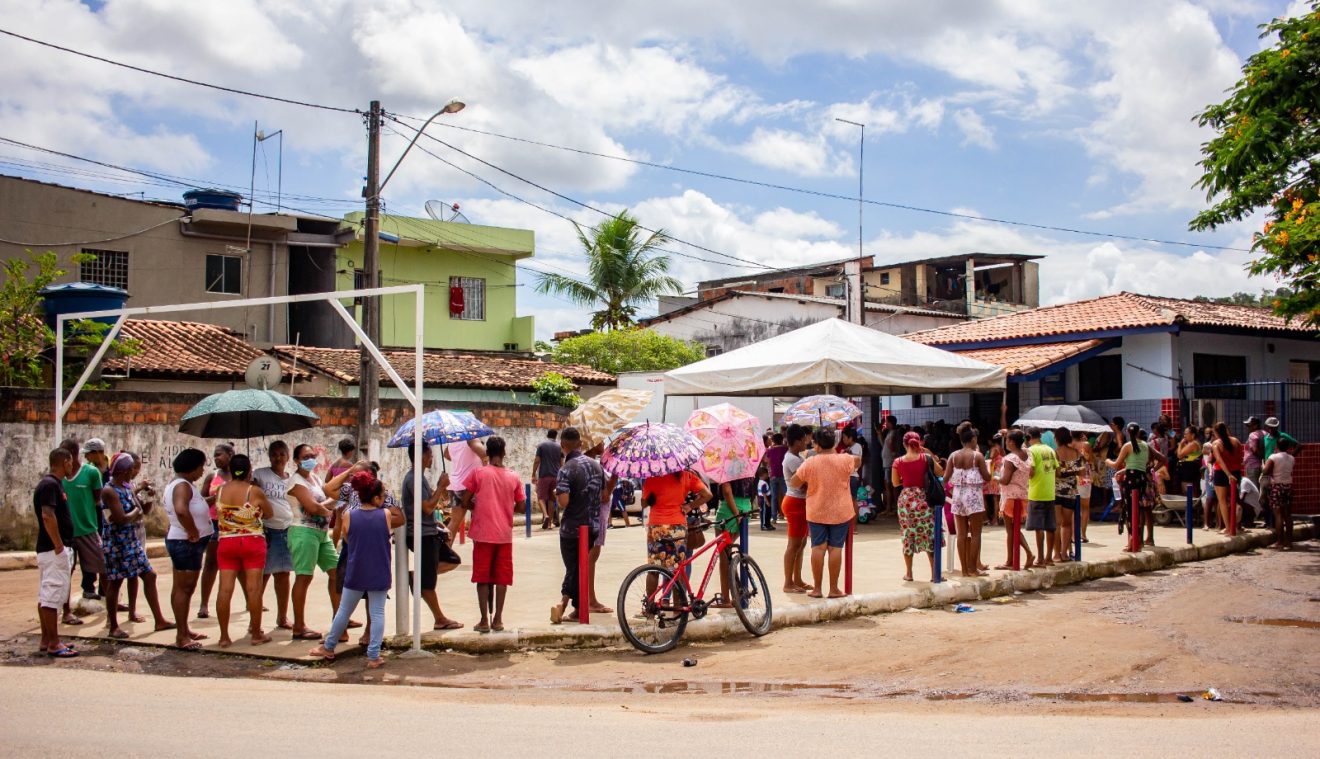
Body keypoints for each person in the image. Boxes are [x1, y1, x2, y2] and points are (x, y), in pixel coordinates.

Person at [309, 472, 403, 668]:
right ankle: (373, 656)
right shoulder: (385, 514)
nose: (384, 498)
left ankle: (329, 646)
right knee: (377, 613)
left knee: (344, 610)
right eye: (382, 495)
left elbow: (348, 539)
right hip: (380, 570)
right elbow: (391, 522)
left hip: (356, 569)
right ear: (376, 498)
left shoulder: (348, 515)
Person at [454, 436, 524, 633]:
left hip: (482, 533)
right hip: (504, 533)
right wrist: (506, 505)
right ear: (503, 453)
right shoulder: (513, 476)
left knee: (482, 577)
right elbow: (521, 505)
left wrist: (477, 507)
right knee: (502, 578)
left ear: (488, 453)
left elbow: (464, 500)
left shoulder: (478, 474)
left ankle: (484, 619)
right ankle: (498, 619)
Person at [286, 444, 355, 640]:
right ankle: (299, 626)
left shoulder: (314, 478)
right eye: (306, 456)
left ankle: (339, 623)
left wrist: (326, 505)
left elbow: (326, 499)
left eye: (312, 455)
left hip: (321, 533)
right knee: (304, 578)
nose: (310, 459)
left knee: (336, 574)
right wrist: (328, 508)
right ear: (297, 461)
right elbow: (312, 508)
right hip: (303, 532)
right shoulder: (296, 482)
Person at [100, 455, 172, 639]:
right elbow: (121, 518)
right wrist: (136, 511)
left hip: (131, 541)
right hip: (117, 543)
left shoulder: (127, 488)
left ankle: (159, 620)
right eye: (132, 470)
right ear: (124, 471)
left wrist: (148, 499)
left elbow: (141, 511)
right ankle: (113, 625)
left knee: (149, 575)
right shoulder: (109, 491)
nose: (135, 473)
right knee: (115, 581)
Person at [212, 454, 274, 647]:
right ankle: (256, 635)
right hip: (252, 542)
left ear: (230, 470)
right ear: (249, 470)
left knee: (224, 589)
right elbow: (270, 514)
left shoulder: (220, 490)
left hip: (226, 543)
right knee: (254, 589)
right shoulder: (254, 491)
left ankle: (224, 637)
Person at [401, 443, 463, 631]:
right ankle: (439, 618)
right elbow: (427, 507)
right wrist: (440, 486)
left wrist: (438, 523)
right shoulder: (413, 479)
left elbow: (426, 509)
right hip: (421, 534)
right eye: (429, 454)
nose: (432, 457)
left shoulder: (420, 478)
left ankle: (419, 577)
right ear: (421, 455)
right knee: (427, 581)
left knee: (452, 560)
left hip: (429, 530)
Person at [163, 448, 214, 650]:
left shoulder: (181, 484)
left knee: (182, 587)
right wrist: (193, 531)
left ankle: (184, 629)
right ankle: (182, 636)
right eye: (201, 466)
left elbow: (193, 506)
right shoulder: (183, 486)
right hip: (185, 542)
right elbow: (182, 510)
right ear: (192, 467)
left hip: (183, 541)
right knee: (184, 588)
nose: (203, 471)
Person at [551, 427, 602, 624]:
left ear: (562, 446)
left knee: (573, 568)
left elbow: (564, 501)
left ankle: (565, 603)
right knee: (579, 567)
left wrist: (558, 493)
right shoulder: (596, 466)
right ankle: (578, 608)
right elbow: (603, 495)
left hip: (572, 528)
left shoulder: (567, 469)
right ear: (581, 444)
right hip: (592, 526)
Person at [642, 467, 712, 598]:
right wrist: (690, 506)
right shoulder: (686, 475)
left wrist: (651, 498)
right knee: (677, 570)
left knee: (653, 569)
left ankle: (650, 610)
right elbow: (707, 495)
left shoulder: (651, 477)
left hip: (656, 527)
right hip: (677, 526)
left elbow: (644, 503)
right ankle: (677, 612)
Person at [35, 447, 78, 658]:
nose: (72, 466)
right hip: (53, 550)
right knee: (52, 596)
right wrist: (59, 544)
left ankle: (47, 639)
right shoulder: (50, 484)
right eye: (71, 462)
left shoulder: (53, 484)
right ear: (65, 462)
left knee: (47, 596)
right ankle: (53, 643)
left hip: (51, 549)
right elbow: (47, 515)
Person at [60, 438, 105, 616]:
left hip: (87, 528)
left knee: (103, 565)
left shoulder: (91, 473)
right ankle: (65, 612)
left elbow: (97, 498)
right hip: (67, 533)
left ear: (74, 455)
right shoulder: (60, 477)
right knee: (66, 573)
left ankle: (110, 607)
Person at [253, 441, 294, 631]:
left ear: (288, 456)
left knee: (284, 574)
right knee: (262, 576)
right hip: (267, 531)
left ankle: (282, 617)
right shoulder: (260, 475)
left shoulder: (292, 478)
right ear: (269, 457)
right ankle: (255, 623)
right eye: (274, 454)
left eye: (281, 454)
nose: (278, 458)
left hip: (288, 530)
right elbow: (250, 494)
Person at [892, 431, 941, 582]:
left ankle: (909, 573)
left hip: (906, 501)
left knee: (908, 535)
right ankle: (934, 573)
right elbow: (940, 471)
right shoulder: (925, 459)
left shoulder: (898, 462)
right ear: (919, 443)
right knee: (929, 535)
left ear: (904, 444)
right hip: (924, 500)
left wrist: (906, 480)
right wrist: (929, 454)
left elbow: (895, 483)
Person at [1107, 422, 1166, 546]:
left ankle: (1135, 541)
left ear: (1128, 432)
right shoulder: (1146, 446)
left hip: (1133, 480)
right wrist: (1151, 470)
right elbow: (1159, 460)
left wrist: (1107, 461)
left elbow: (1118, 464)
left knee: (1133, 510)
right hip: (1144, 479)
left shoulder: (1130, 446)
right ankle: (1144, 539)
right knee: (1145, 510)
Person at [196, 442, 235, 619]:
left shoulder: (239, 475)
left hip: (234, 524)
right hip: (214, 524)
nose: (216, 458)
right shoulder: (213, 476)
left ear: (230, 454)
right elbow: (201, 500)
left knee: (239, 565)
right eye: (215, 455)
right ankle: (204, 604)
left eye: (219, 454)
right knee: (211, 564)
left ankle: (252, 601)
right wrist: (215, 496)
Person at [946, 426, 989, 578]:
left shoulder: (953, 456)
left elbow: (946, 478)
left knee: (961, 534)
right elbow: (987, 477)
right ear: (973, 440)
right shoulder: (977, 456)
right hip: (973, 496)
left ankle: (964, 570)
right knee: (976, 533)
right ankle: (973, 568)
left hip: (957, 495)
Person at [996, 429, 1035, 569]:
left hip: (1010, 497)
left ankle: (1011, 560)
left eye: (1007, 440)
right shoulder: (1027, 454)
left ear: (1012, 442)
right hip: (1023, 495)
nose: (1005, 442)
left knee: (1010, 530)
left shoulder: (1010, 459)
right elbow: (1032, 472)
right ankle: (1022, 556)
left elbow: (1005, 480)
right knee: (1016, 528)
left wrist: (995, 478)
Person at [779, 425, 812, 593]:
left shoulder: (795, 457)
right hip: (796, 502)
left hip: (798, 502)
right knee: (794, 545)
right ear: (798, 441)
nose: (807, 441)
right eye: (805, 439)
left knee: (801, 543)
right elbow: (804, 482)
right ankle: (788, 582)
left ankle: (796, 579)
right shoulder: (793, 460)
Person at [1025, 428, 1059, 567]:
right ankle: (1049, 558)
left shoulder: (1031, 451)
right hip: (1050, 492)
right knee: (1050, 527)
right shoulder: (1050, 450)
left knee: (1039, 527)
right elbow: (1057, 470)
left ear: (1029, 437)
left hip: (1036, 492)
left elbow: (1031, 472)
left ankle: (1040, 558)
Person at [1052, 428, 1085, 561]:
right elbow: (1082, 472)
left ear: (1057, 439)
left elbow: (1057, 473)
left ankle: (1056, 554)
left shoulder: (1055, 453)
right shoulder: (1076, 453)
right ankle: (1065, 553)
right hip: (1071, 492)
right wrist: (1073, 472)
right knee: (1067, 524)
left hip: (1056, 491)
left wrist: (1064, 472)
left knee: (1056, 524)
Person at [1209, 422, 1244, 535]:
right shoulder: (1236, 441)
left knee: (1222, 501)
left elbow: (1219, 460)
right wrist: (1234, 472)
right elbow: (1240, 458)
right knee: (1234, 499)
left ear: (1216, 433)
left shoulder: (1216, 444)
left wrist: (1228, 474)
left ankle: (1228, 527)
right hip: (1236, 472)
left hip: (1222, 473)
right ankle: (1236, 525)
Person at [1264, 438, 1296, 550]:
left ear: (1277, 445)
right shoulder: (1292, 458)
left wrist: (1264, 466)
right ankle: (1289, 542)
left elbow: (1265, 471)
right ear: (1287, 447)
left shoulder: (1273, 457)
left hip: (1277, 486)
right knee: (1288, 514)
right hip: (1288, 486)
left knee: (1278, 514)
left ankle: (1280, 542)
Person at [532, 429, 564, 529]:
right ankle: (549, 523)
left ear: (547, 435)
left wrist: (533, 474)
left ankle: (545, 515)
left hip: (544, 475)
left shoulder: (541, 445)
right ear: (556, 436)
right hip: (556, 476)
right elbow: (562, 463)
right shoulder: (560, 447)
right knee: (552, 499)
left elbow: (537, 460)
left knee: (541, 497)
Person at [765, 433, 788, 525]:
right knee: (787, 495)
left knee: (774, 497)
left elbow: (767, 461)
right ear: (782, 439)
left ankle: (774, 517)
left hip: (773, 475)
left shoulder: (770, 450)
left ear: (773, 440)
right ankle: (787, 515)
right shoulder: (786, 449)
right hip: (784, 474)